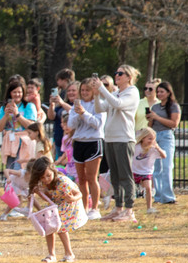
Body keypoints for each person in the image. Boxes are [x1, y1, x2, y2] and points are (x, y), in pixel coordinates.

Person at [94, 65, 140, 223]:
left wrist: (102, 89)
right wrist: (96, 94)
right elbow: (100, 107)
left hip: (124, 138)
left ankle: (129, 210)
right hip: (110, 138)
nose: (117, 75)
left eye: (120, 73)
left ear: (129, 77)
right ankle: (118, 207)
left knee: (125, 175)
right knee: (114, 175)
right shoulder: (115, 93)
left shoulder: (132, 92)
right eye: (116, 73)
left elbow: (118, 104)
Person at [29, 156, 84, 262]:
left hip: (68, 205)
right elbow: (51, 199)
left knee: (60, 227)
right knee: (49, 225)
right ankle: (51, 254)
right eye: (42, 178)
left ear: (53, 170)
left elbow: (79, 194)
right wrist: (40, 193)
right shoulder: (46, 183)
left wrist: (72, 198)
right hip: (57, 205)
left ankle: (69, 253)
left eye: (48, 176)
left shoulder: (63, 181)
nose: (46, 179)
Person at [66, 78, 105, 218]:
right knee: (81, 179)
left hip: (93, 142)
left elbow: (97, 124)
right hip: (79, 142)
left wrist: (84, 113)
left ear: (93, 91)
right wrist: (77, 113)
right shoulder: (76, 105)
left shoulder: (99, 105)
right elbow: (71, 125)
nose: (84, 93)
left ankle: (95, 208)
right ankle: (83, 208)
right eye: (82, 90)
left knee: (92, 177)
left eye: (87, 90)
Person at [148, 80, 180, 205]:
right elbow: (150, 125)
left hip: (166, 136)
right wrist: (150, 118)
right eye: (158, 92)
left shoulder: (173, 106)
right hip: (155, 136)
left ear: (168, 92)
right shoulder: (155, 107)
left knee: (166, 166)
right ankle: (158, 195)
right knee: (156, 168)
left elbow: (174, 124)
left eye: (162, 92)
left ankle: (168, 196)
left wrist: (157, 117)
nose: (159, 94)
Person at [0, 79, 38, 169]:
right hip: (10, 142)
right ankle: (9, 183)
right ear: (10, 93)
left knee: (20, 169)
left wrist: (17, 114)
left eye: (19, 92)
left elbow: (31, 126)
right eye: (14, 92)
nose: (17, 94)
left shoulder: (29, 106)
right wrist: (6, 115)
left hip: (25, 142)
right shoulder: (3, 108)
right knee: (10, 169)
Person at [132, 128, 166, 214]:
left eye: (153, 139)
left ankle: (149, 208)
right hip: (134, 171)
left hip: (146, 172)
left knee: (148, 188)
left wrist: (158, 147)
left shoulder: (153, 149)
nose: (151, 141)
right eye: (149, 138)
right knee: (129, 190)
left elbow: (164, 156)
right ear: (143, 138)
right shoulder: (136, 147)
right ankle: (128, 207)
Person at [50, 69, 76, 157]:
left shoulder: (79, 104)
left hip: (73, 141)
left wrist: (62, 103)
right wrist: (52, 104)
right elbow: (51, 117)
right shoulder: (63, 101)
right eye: (68, 91)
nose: (70, 93)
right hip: (59, 138)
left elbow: (75, 112)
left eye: (73, 91)